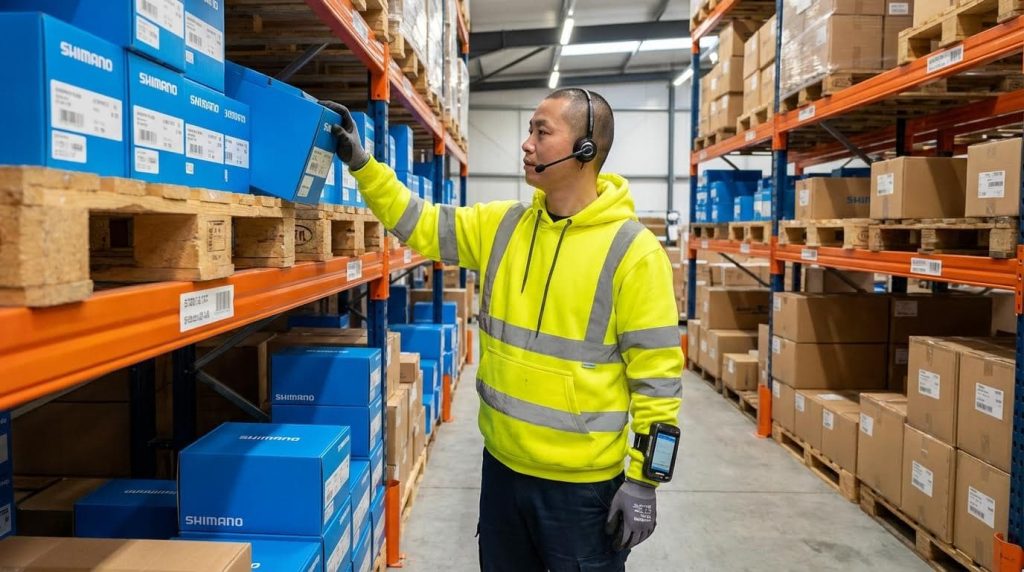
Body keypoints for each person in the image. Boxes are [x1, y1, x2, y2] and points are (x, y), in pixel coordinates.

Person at [323, 88, 682, 572]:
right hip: (503, 472)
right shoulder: (503, 226)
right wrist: (364, 165)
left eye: (541, 131)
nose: (526, 144)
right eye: (529, 130)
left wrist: (645, 481)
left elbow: (658, 377)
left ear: (585, 150)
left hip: (582, 489)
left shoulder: (633, 253)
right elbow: (421, 223)